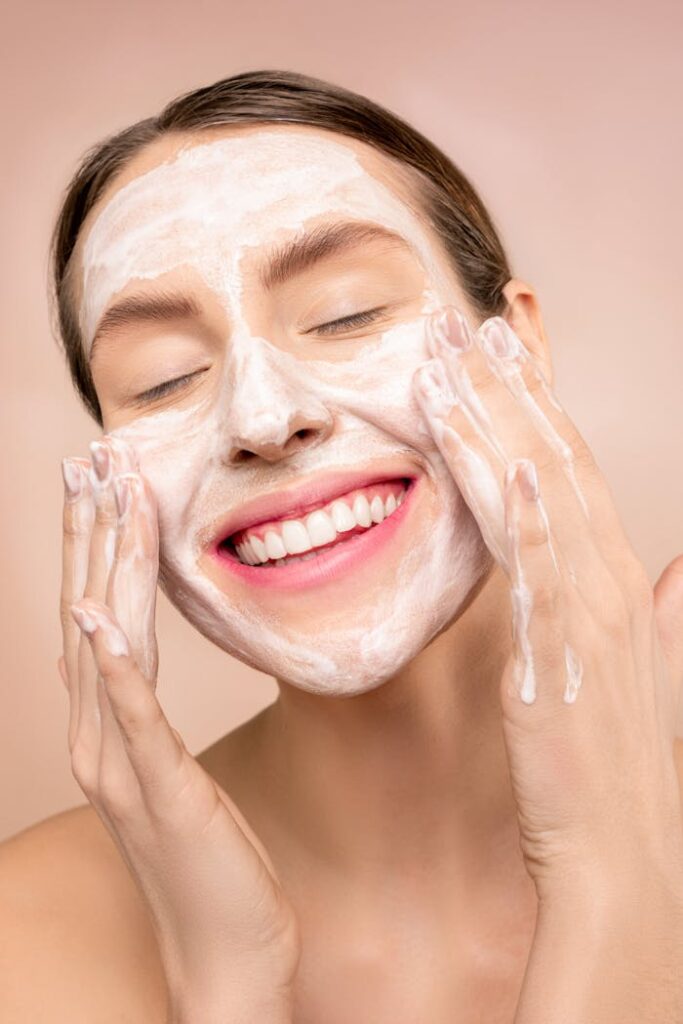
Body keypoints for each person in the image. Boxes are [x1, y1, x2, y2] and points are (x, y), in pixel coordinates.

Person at [2, 69, 683, 1023]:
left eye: (346, 314)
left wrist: (614, 867)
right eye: (162, 380)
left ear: (516, 348)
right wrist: (229, 983)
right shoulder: (22, 943)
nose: (265, 417)